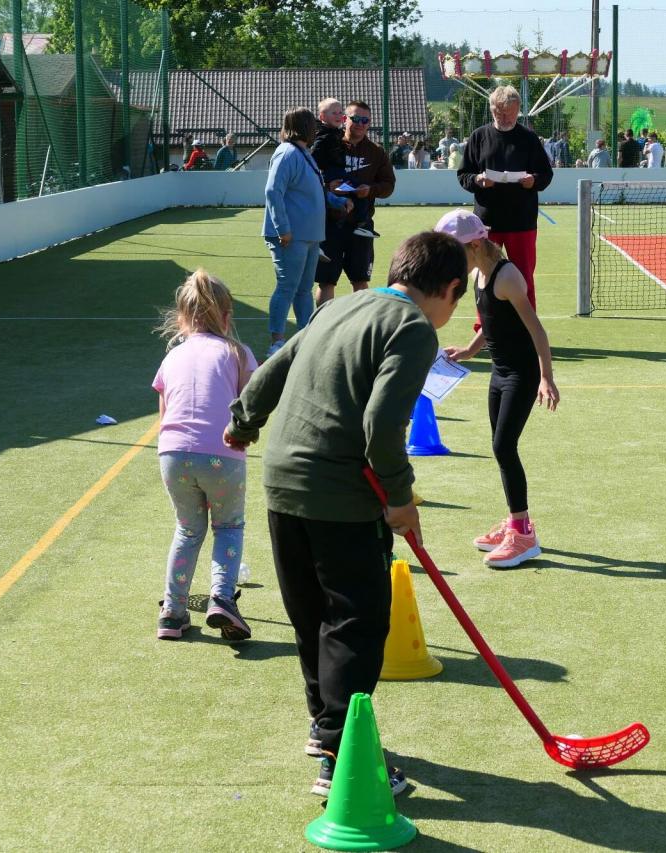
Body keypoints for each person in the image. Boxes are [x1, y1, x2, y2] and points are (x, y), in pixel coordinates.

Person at [225, 230, 469, 797]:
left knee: (313, 616)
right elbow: (382, 426)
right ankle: (340, 758)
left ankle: (325, 728)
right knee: (356, 623)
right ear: (451, 288)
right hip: (340, 493)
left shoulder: (338, 306)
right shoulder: (413, 329)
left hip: (283, 482)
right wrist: (400, 498)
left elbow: (274, 369)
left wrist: (242, 422)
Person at [438, 210, 558, 569]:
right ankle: (514, 521)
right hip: (499, 372)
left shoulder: (507, 277)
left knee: (504, 446)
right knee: (501, 447)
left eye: (455, 252)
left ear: (475, 246)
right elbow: (490, 323)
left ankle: (523, 535)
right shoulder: (479, 274)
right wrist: (469, 350)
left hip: (521, 374)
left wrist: (546, 377)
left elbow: (536, 329)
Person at [152, 269, 259, 642]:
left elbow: (164, 414)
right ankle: (222, 598)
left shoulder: (172, 357)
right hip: (222, 453)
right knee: (228, 526)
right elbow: (250, 406)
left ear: (182, 318)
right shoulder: (237, 353)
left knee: (187, 529)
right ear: (227, 317)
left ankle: (172, 612)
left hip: (173, 454)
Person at [263, 107, 353, 359]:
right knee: (287, 287)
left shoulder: (303, 153)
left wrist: (336, 201)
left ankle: (305, 336)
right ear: (304, 127)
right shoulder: (287, 153)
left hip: (310, 235)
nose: (316, 128)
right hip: (291, 236)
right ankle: (277, 342)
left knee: (303, 290)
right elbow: (273, 191)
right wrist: (283, 229)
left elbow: (314, 190)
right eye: (313, 124)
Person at [456, 85, 553, 311]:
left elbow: (546, 175)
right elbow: (463, 175)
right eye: (499, 112)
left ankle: (527, 326)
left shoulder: (529, 138)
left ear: (518, 109)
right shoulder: (479, 136)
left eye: (510, 112)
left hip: (522, 222)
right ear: (492, 109)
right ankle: (484, 324)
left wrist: (533, 181)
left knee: (524, 276)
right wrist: (477, 179)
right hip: (486, 222)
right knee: (484, 276)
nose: (505, 117)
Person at [316, 100, 396, 305]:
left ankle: (359, 322)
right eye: (356, 118)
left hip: (361, 227)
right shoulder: (328, 143)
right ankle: (322, 322)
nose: (360, 124)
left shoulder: (376, 152)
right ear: (345, 119)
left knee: (360, 280)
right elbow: (308, 176)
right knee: (326, 281)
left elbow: (389, 185)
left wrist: (370, 190)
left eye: (365, 120)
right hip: (329, 224)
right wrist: (327, 186)